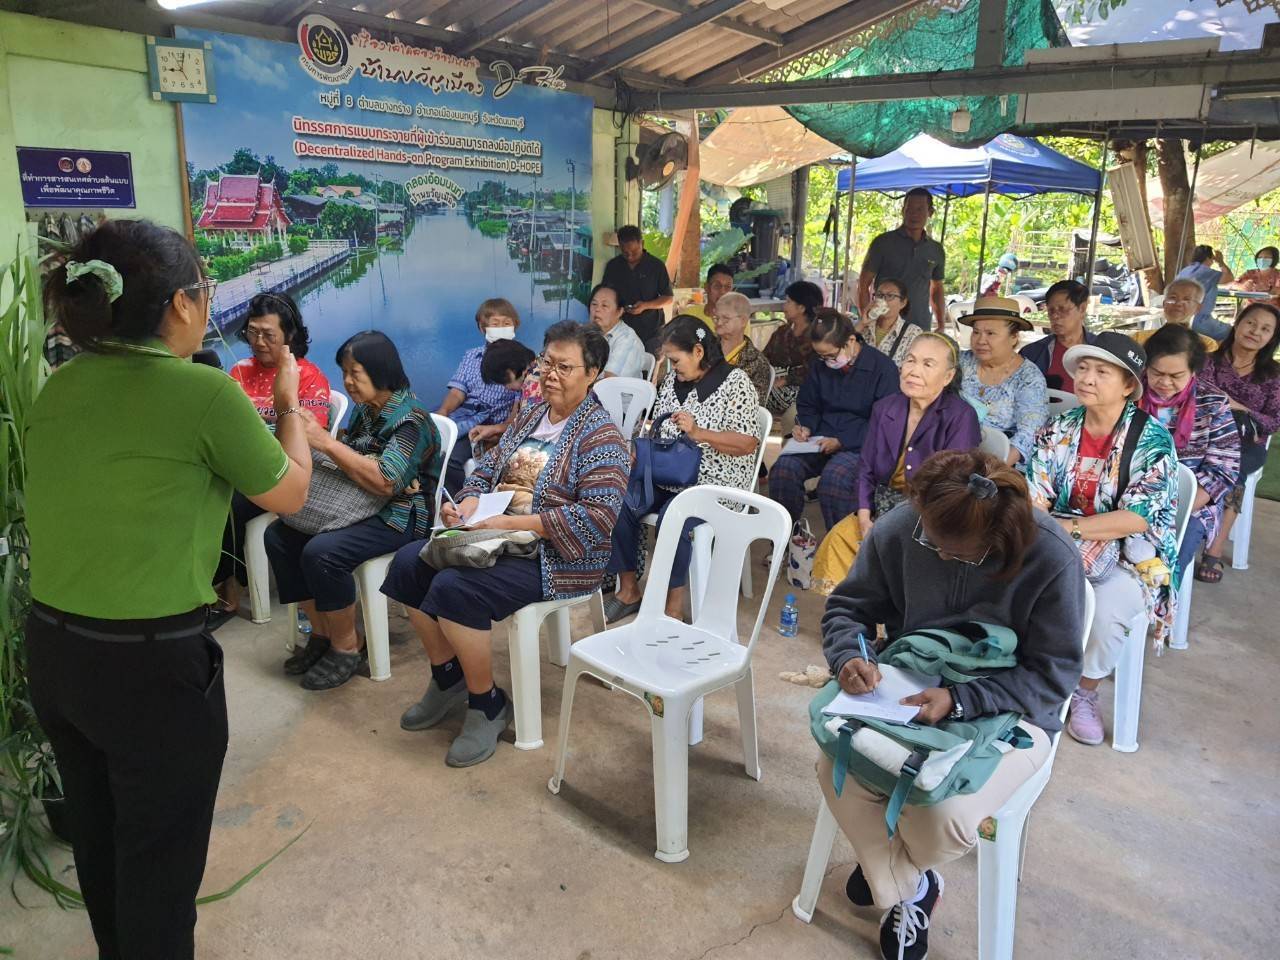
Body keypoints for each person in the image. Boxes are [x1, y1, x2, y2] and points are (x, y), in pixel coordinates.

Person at [25, 219, 312, 959]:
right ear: (182, 306)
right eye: (205, 294)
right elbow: (291, 495)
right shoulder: (204, 393)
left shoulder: (62, 383)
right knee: (159, 864)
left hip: (56, 650)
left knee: (101, 838)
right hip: (148, 670)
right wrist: (288, 404)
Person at [820, 450, 1084, 960]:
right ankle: (908, 883)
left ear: (996, 544)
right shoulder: (902, 528)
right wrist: (849, 654)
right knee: (832, 758)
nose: (937, 555)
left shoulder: (1051, 557)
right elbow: (849, 607)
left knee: (947, 816)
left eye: (957, 555)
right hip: (909, 691)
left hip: (1013, 711)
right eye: (930, 540)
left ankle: (890, 870)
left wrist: (963, 699)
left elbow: (1053, 676)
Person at [382, 322, 629, 767]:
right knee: (406, 564)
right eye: (546, 363)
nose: (550, 375)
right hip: (497, 533)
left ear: (593, 374)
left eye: (564, 367)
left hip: (558, 554)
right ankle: (447, 677)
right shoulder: (532, 415)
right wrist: (470, 501)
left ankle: (488, 703)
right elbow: (488, 465)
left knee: (455, 589)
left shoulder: (603, 438)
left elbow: (598, 519)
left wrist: (524, 521)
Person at [1025, 332, 1178, 746]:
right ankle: (1024, 675)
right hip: (1057, 538)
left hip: (1131, 553)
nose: (1087, 378)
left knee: (1109, 608)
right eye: (1083, 369)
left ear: (1129, 385)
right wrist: (1051, 529)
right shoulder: (1058, 429)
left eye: (1102, 371)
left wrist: (1068, 528)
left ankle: (1084, 692)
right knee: (1004, 577)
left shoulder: (1151, 441)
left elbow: (1134, 519)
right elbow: (1034, 494)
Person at [266, 331, 442, 691]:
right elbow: (354, 463)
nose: (347, 381)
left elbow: (386, 481)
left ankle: (348, 647)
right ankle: (321, 633)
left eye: (355, 373)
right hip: (360, 503)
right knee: (280, 535)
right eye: (344, 372)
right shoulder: (366, 412)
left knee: (323, 553)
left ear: (382, 371)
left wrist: (327, 443)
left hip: (400, 516)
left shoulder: (413, 422)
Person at [604, 316, 761, 623]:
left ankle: (673, 605)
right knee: (619, 498)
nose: (672, 366)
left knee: (676, 516)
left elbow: (747, 443)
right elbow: (659, 426)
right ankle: (629, 589)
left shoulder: (736, 382)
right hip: (669, 472)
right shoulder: (674, 382)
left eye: (676, 359)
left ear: (699, 352)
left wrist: (699, 432)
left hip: (715, 480)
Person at [812, 333, 980, 594]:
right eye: (910, 360)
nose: (913, 371)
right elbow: (866, 467)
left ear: (947, 377)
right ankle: (849, 623)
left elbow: (952, 488)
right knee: (837, 540)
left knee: (889, 558)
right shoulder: (886, 408)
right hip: (882, 508)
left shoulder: (960, 417)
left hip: (928, 517)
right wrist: (865, 517)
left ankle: (887, 628)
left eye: (927, 364)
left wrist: (891, 526)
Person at [214, 292, 331, 614]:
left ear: (289, 335)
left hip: (279, 472)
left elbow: (309, 434)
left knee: (227, 504)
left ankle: (228, 587)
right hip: (234, 464)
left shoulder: (306, 376)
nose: (259, 342)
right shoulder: (239, 371)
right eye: (253, 332)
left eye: (268, 334)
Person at [768, 308, 900, 530]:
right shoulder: (820, 366)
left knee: (834, 479)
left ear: (850, 341)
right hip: (820, 439)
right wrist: (805, 427)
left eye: (830, 355)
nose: (827, 361)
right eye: (821, 356)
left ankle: (838, 548)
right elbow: (808, 403)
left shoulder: (882, 369)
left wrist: (842, 441)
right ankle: (785, 539)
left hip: (860, 445)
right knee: (783, 469)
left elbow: (884, 424)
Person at [1138, 325, 1239, 579]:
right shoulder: (1130, 392)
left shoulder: (1213, 403)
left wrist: (1175, 509)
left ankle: (1160, 611)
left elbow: (1224, 471)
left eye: (1176, 375)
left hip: (1192, 504)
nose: (1164, 382)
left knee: (1165, 564)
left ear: (1194, 371)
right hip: (1132, 495)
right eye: (1156, 373)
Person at [1196, 302, 1280, 582]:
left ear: (1272, 338)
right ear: (1237, 323)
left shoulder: (1273, 376)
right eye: (1251, 323)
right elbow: (1196, 400)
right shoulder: (1208, 361)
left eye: (1265, 329)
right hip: (1204, 436)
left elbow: (1273, 421)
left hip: (1247, 444)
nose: (1255, 331)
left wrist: (1238, 407)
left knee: (1235, 469)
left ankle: (1214, 549)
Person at [437, 298, 525, 492]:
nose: (501, 328)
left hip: (492, 426)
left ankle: (458, 501)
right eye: (495, 324)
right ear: (482, 327)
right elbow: (457, 392)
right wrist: (442, 414)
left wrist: (496, 430)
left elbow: (517, 414)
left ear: (515, 326)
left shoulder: (522, 362)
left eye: (506, 323)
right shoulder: (472, 356)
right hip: (465, 416)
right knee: (428, 441)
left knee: (450, 459)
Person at [957, 296, 1048, 465]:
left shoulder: (1028, 378)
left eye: (990, 333)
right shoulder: (961, 362)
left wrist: (992, 472)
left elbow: (1028, 435)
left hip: (1002, 464)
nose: (980, 340)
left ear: (1013, 337)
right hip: (954, 453)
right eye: (976, 332)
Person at [857, 187, 946, 331]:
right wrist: (866, 321)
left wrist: (941, 324)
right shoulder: (883, 243)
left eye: (919, 209)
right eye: (909, 209)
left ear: (930, 213)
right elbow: (863, 284)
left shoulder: (935, 250)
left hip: (919, 325)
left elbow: (937, 289)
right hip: (883, 324)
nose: (914, 214)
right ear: (902, 210)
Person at [601, 224, 674, 348]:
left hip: (652, 331)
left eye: (634, 252)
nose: (630, 256)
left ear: (642, 243)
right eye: (625, 252)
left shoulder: (656, 266)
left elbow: (668, 298)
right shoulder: (613, 266)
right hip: (621, 330)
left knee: (649, 363)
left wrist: (645, 305)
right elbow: (605, 294)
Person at [1020, 279, 1098, 392]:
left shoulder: (1101, 351)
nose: (1055, 316)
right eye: (1051, 310)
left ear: (1082, 309)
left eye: (1063, 309)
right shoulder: (1032, 353)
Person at [762, 279, 822, 418]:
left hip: (804, 390)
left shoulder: (818, 335)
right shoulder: (782, 332)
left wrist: (787, 380)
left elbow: (816, 369)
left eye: (788, 301)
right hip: (774, 384)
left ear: (801, 308)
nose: (784, 306)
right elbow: (764, 359)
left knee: (757, 395)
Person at [1131, 277, 1218, 352]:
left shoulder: (1206, 345)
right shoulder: (1139, 339)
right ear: (1164, 304)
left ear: (1197, 308)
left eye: (1186, 299)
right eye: (1173, 297)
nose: (1178, 303)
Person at [714, 290, 771, 403]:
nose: (719, 323)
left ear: (743, 321)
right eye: (716, 318)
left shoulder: (756, 361)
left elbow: (753, 404)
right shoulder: (704, 349)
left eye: (725, 318)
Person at [586, 281, 646, 379]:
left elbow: (610, 381)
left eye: (604, 305)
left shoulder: (628, 339)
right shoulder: (588, 333)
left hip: (617, 392)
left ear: (620, 312)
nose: (597, 309)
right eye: (594, 304)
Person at [858, 275, 921, 367]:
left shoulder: (913, 333)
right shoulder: (863, 328)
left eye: (890, 296)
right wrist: (862, 323)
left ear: (903, 303)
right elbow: (841, 349)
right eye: (879, 295)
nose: (883, 300)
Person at [1175, 244, 1234, 341]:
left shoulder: (1185, 271)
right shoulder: (1207, 272)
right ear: (1209, 258)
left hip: (1179, 318)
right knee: (1232, 332)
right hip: (1199, 321)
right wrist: (1220, 261)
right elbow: (1229, 278)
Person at [683, 262, 735, 330]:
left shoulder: (738, 320)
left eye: (728, 287)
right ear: (706, 287)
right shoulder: (690, 315)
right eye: (717, 286)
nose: (722, 292)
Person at [1228, 244, 1280, 309]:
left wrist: (1273, 290)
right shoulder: (1250, 273)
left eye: (1266, 257)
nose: (1262, 259)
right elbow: (1231, 285)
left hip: (1274, 311)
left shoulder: (1278, 275)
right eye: (1260, 257)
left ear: (1274, 259)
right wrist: (1242, 287)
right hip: (1251, 310)